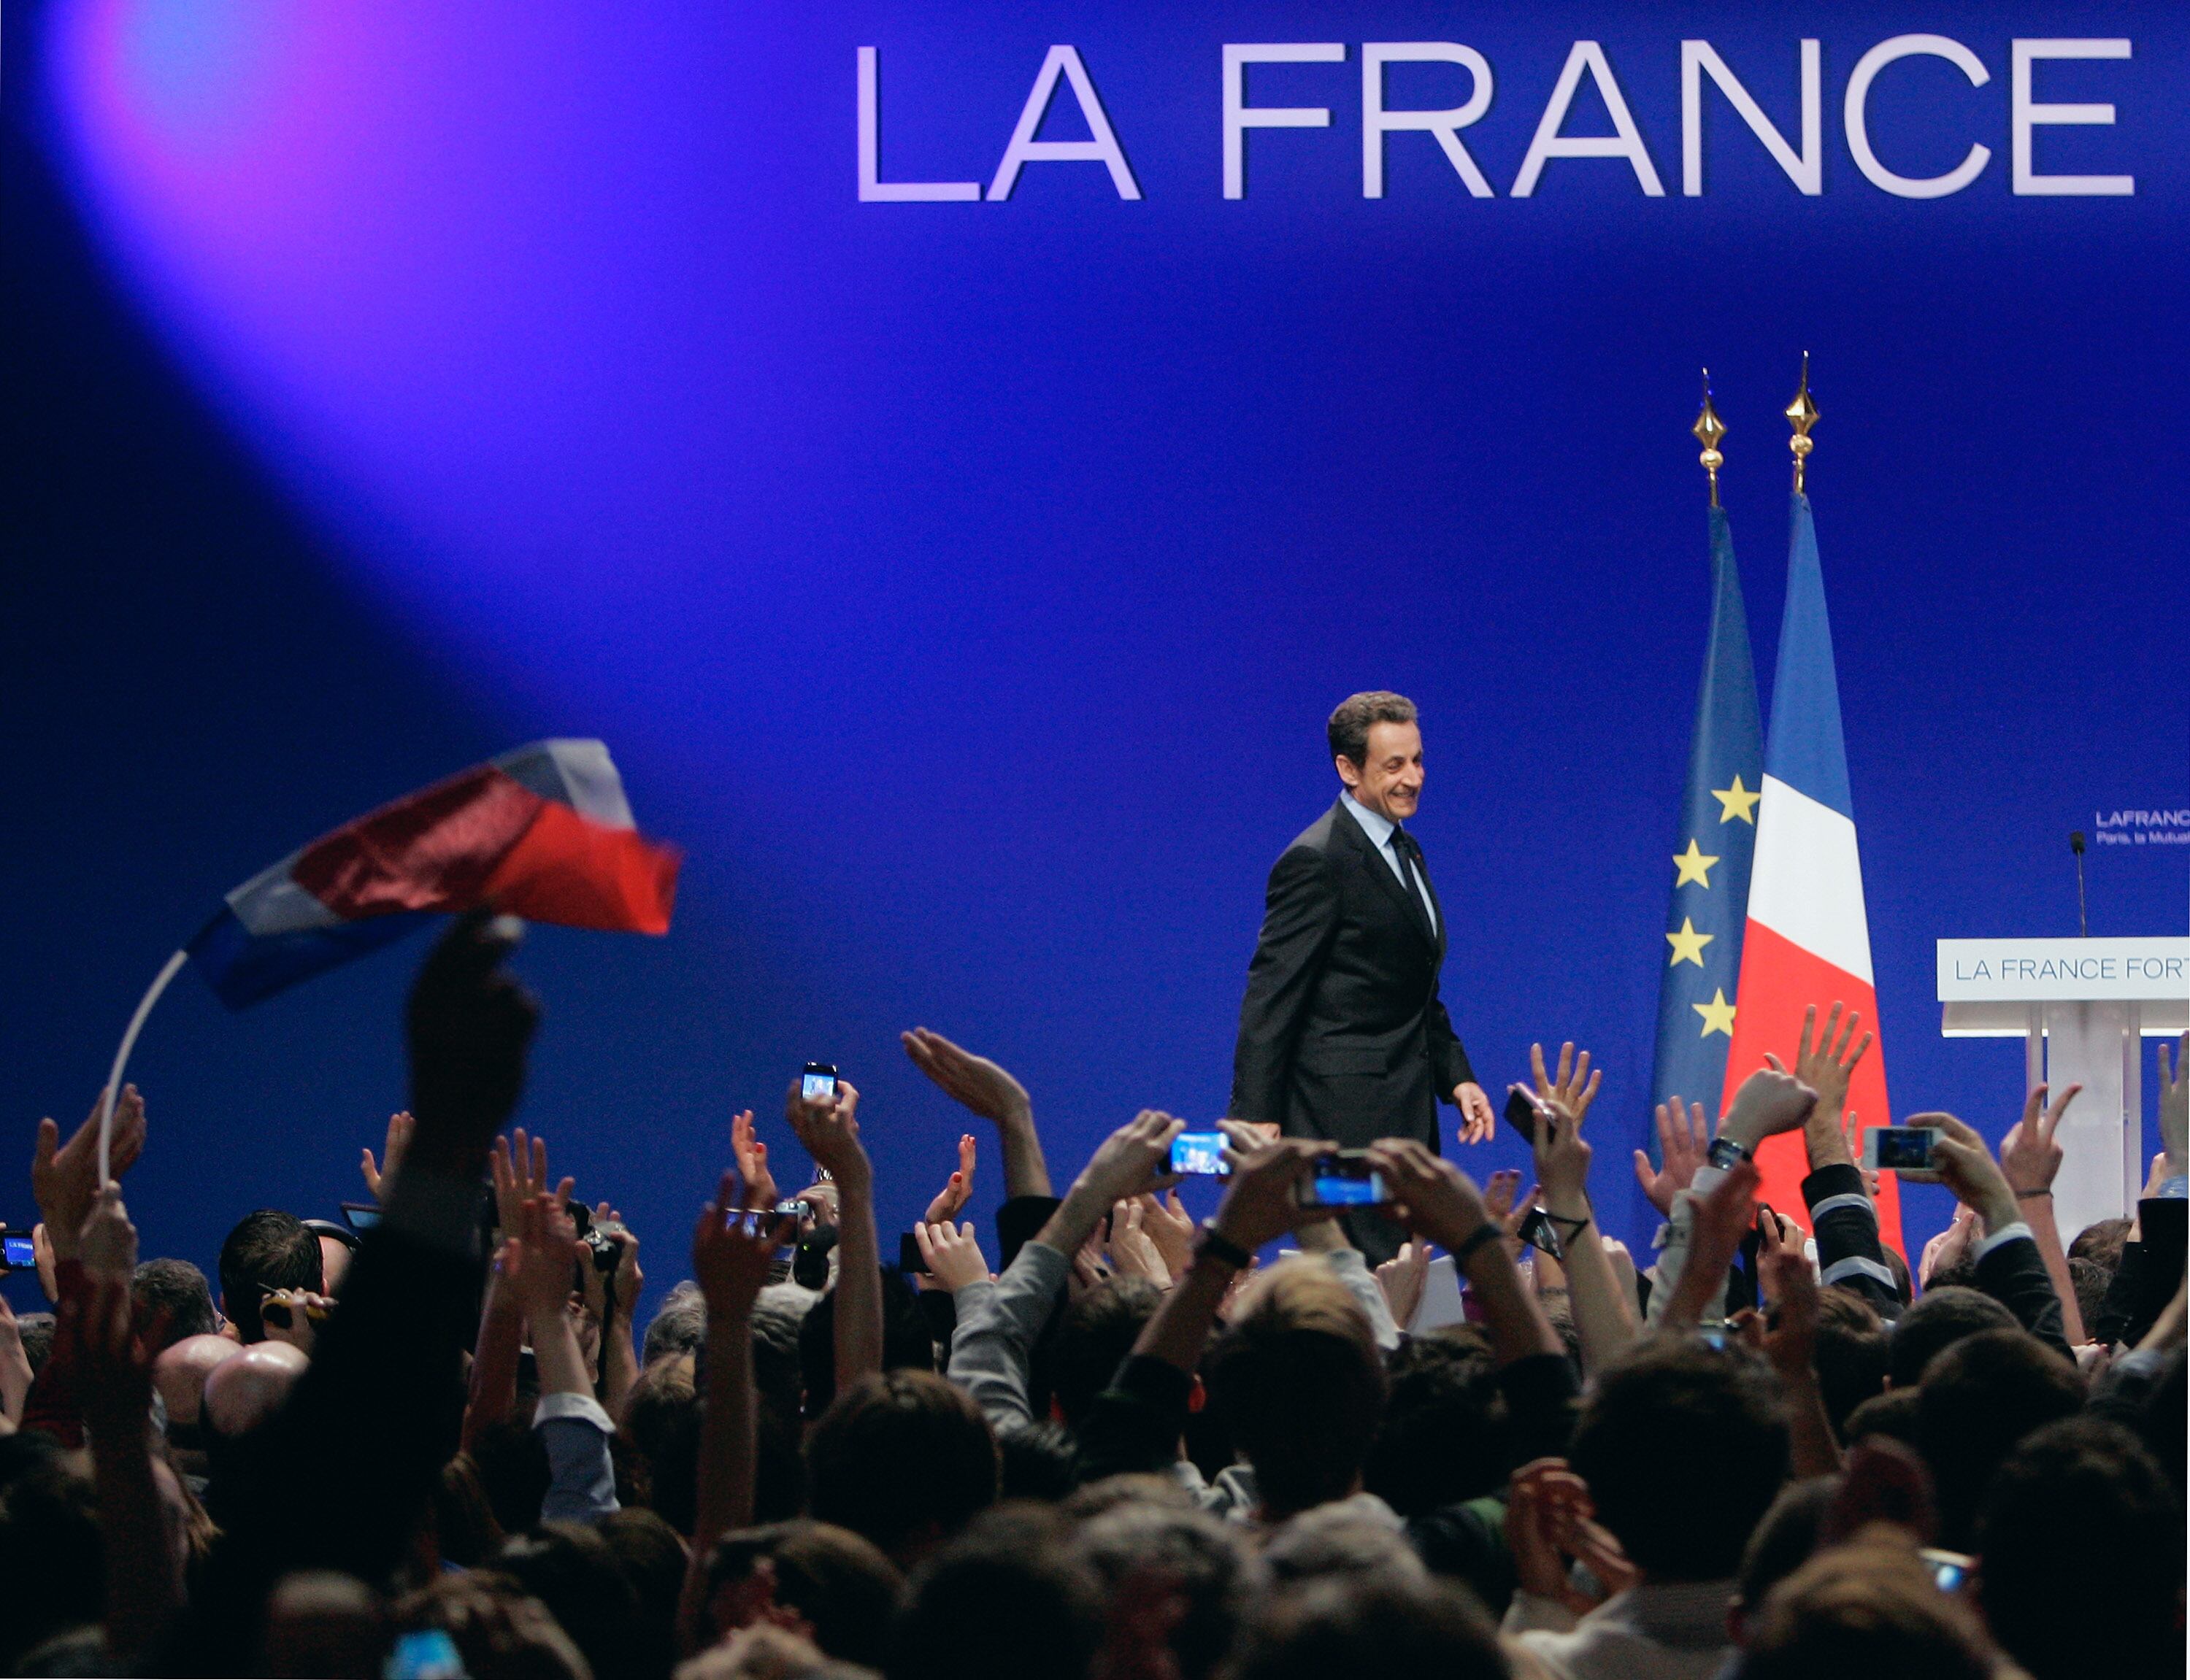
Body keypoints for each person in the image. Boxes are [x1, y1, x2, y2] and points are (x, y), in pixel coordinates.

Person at [1231, 692, 1490, 1258]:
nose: (1414, 778)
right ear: (1348, 769)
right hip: (1343, 1118)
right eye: (1394, 765)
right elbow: (1271, 996)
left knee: (1404, 1271)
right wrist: (1256, 1119)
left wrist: (1456, 1075)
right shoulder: (1317, 860)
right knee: (1363, 1282)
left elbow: (1412, 983)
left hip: (1404, 1110)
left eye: (1418, 760)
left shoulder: (1405, 848)